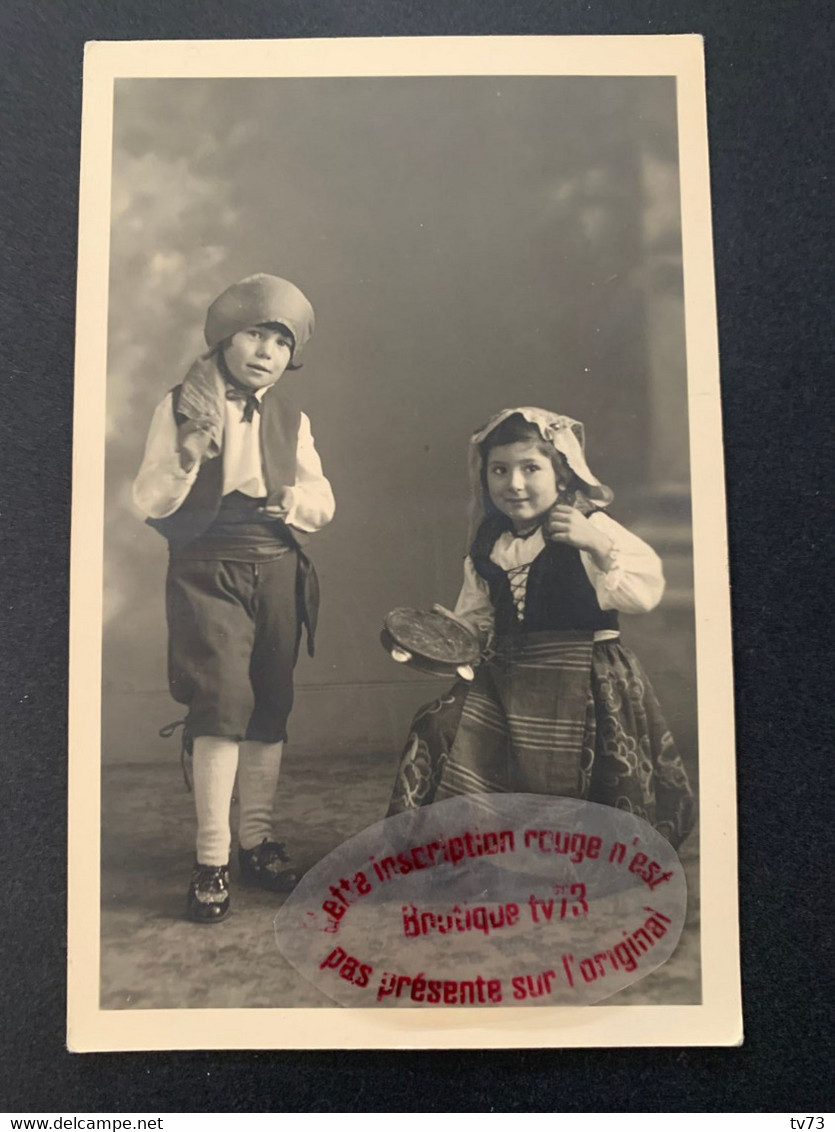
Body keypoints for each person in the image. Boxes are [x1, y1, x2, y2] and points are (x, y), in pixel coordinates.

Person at [386, 407, 695, 849]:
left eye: (530, 468)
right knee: (439, 723)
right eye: (500, 470)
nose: (514, 483)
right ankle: (458, 844)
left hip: (585, 675)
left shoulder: (590, 525)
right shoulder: (488, 543)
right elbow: (479, 619)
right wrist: (453, 632)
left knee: (590, 755)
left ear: (563, 475)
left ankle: (575, 847)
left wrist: (598, 545)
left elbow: (644, 594)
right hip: (509, 677)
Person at [133, 273, 335, 922]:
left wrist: (295, 503)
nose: (265, 351)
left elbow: (322, 500)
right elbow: (149, 500)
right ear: (225, 337)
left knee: (270, 700)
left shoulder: (291, 418)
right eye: (254, 333)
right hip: (205, 566)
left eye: (280, 341)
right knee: (221, 701)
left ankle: (257, 838)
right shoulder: (180, 405)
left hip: (276, 564)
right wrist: (188, 459)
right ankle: (212, 857)